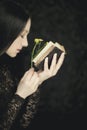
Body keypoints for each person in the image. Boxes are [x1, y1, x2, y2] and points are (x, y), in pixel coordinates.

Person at [0, 0, 65, 130]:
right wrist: (20, 96)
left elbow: (21, 124)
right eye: (21, 35)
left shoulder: (5, 68)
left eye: (27, 35)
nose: (26, 44)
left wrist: (38, 81)